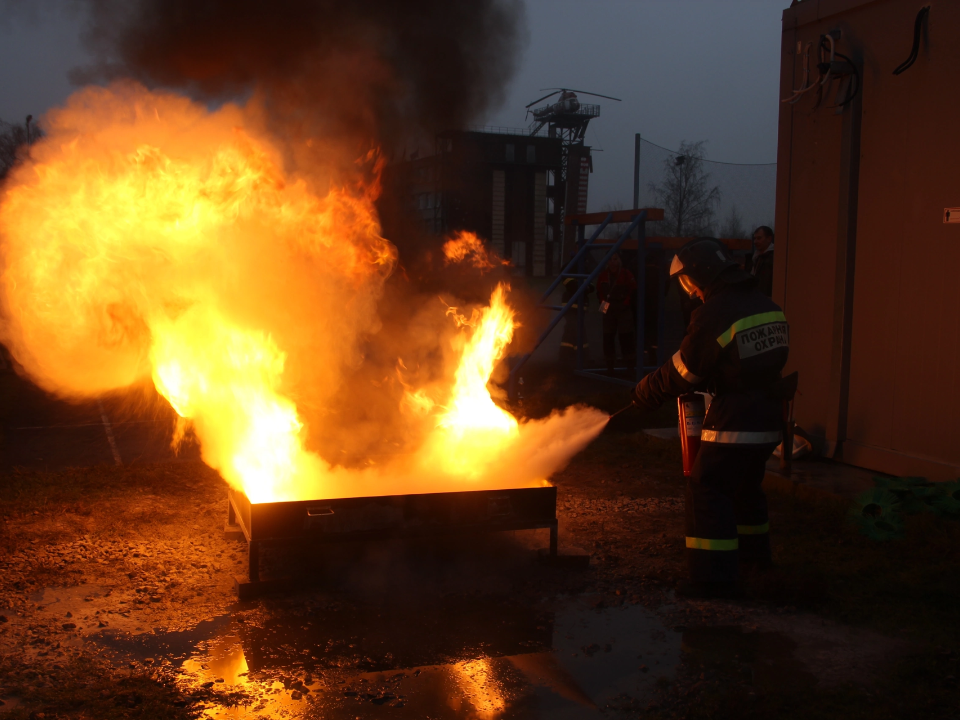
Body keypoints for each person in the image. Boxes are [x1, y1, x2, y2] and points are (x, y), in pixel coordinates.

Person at [629, 238, 790, 598]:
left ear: (702, 274)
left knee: (708, 487)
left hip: (736, 417)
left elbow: (685, 371)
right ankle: (754, 563)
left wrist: (646, 391)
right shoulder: (766, 305)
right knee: (747, 488)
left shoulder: (716, 312)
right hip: (768, 416)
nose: (691, 292)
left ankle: (712, 579)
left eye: (688, 282)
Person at [596, 252, 636, 375]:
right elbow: (599, 291)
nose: (612, 262)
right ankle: (610, 367)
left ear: (619, 260)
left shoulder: (626, 274)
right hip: (608, 309)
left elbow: (633, 289)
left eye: (615, 259)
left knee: (626, 338)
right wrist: (603, 304)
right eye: (610, 259)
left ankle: (629, 367)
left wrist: (626, 303)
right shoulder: (603, 276)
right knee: (608, 337)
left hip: (623, 309)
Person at [747, 226, 775, 297]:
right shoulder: (756, 257)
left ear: (769, 239)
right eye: (754, 238)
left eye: (759, 238)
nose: (755, 241)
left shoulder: (774, 258)